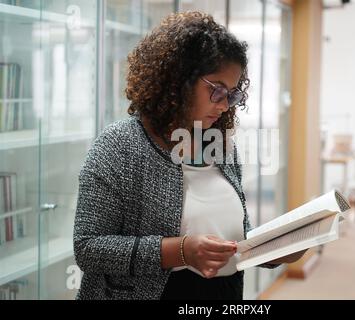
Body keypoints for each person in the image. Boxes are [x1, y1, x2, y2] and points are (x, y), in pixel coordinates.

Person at [73, 11, 305, 300]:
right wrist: (180, 251)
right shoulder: (119, 146)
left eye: (232, 95)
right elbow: (88, 248)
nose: (223, 106)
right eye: (217, 90)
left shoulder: (220, 146)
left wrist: (271, 250)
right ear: (178, 79)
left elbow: (232, 232)